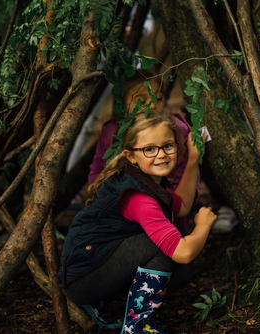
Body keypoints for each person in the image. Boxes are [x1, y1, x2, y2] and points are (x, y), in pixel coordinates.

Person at [58, 110, 217, 334]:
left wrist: (192, 160)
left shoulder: (145, 180)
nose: (161, 155)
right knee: (162, 249)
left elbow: (181, 205)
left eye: (168, 146)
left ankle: (99, 303)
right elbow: (184, 252)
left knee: (178, 272)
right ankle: (136, 327)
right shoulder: (139, 197)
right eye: (150, 149)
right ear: (131, 155)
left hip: (88, 268)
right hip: (82, 278)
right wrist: (203, 225)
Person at [88, 70, 199, 236]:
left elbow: (182, 203)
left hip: (169, 224)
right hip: (122, 225)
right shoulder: (112, 133)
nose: (152, 105)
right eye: (141, 100)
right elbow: (96, 174)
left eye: (158, 98)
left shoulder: (179, 131)